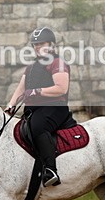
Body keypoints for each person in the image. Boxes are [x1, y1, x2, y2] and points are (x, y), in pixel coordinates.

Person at [5, 27, 71, 187]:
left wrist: (37, 91)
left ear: (52, 45)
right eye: (35, 44)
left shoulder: (58, 63)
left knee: (37, 127)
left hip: (55, 108)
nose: (37, 47)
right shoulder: (31, 67)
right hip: (35, 109)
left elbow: (61, 88)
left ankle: (50, 170)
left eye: (41, 44)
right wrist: (10, 105)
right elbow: (21, 88)